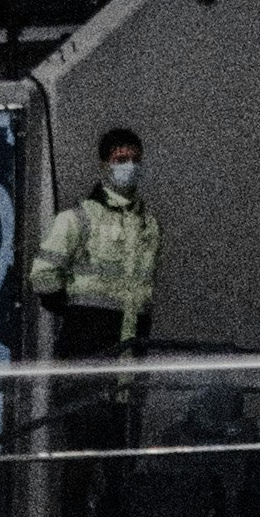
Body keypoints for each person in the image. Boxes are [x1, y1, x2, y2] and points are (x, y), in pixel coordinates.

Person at [31, 128, 160, 362]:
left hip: (133, 341)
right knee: (85, 397)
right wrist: (76, 313)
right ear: (104, 165)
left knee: (126, 396)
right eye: (121, 160)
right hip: (87, 341)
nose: (129, 167)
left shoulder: (149, 225)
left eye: (135, 160)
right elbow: (43, 276)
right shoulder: (77, 219)